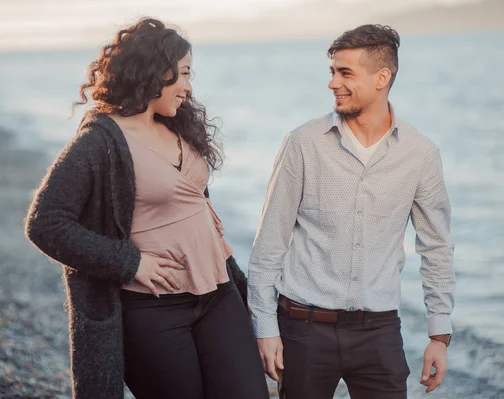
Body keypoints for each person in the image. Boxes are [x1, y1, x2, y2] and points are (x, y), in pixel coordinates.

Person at [24, 17, 268, 399]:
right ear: (156, 70)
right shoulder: (100, 141)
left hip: (219, 294)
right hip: (153, 309)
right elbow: (45, 223)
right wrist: (130, 262)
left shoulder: (178, 126)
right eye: (184, 73)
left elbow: (191, 206)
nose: (189, 87)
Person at [248, 24, 455, 398]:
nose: (333, 84)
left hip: (379, 334)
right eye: (332, 72)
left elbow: (436, 248)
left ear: (382, 77)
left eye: (345, 73)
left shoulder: (421, 155)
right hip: (303, 329)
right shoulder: (303, 144)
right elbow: (268, 246)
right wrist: (266, 329)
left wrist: (438, 335)